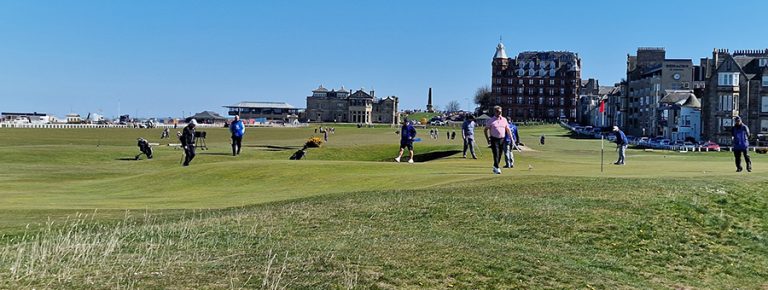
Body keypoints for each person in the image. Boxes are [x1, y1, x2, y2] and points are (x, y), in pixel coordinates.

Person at [484, 106, 513, 174]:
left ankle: (495, 166)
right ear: (495, 112)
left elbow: (508, 129)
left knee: (500, 154)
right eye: (497, 111)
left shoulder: (504, 119)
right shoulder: (491, 120)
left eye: (500, 112)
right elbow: (485, 130)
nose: (499, 113)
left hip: (502, 139)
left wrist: (511, 138)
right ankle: (497, 168)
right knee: (496, 153)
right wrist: (487, 139)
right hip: (494, 139)